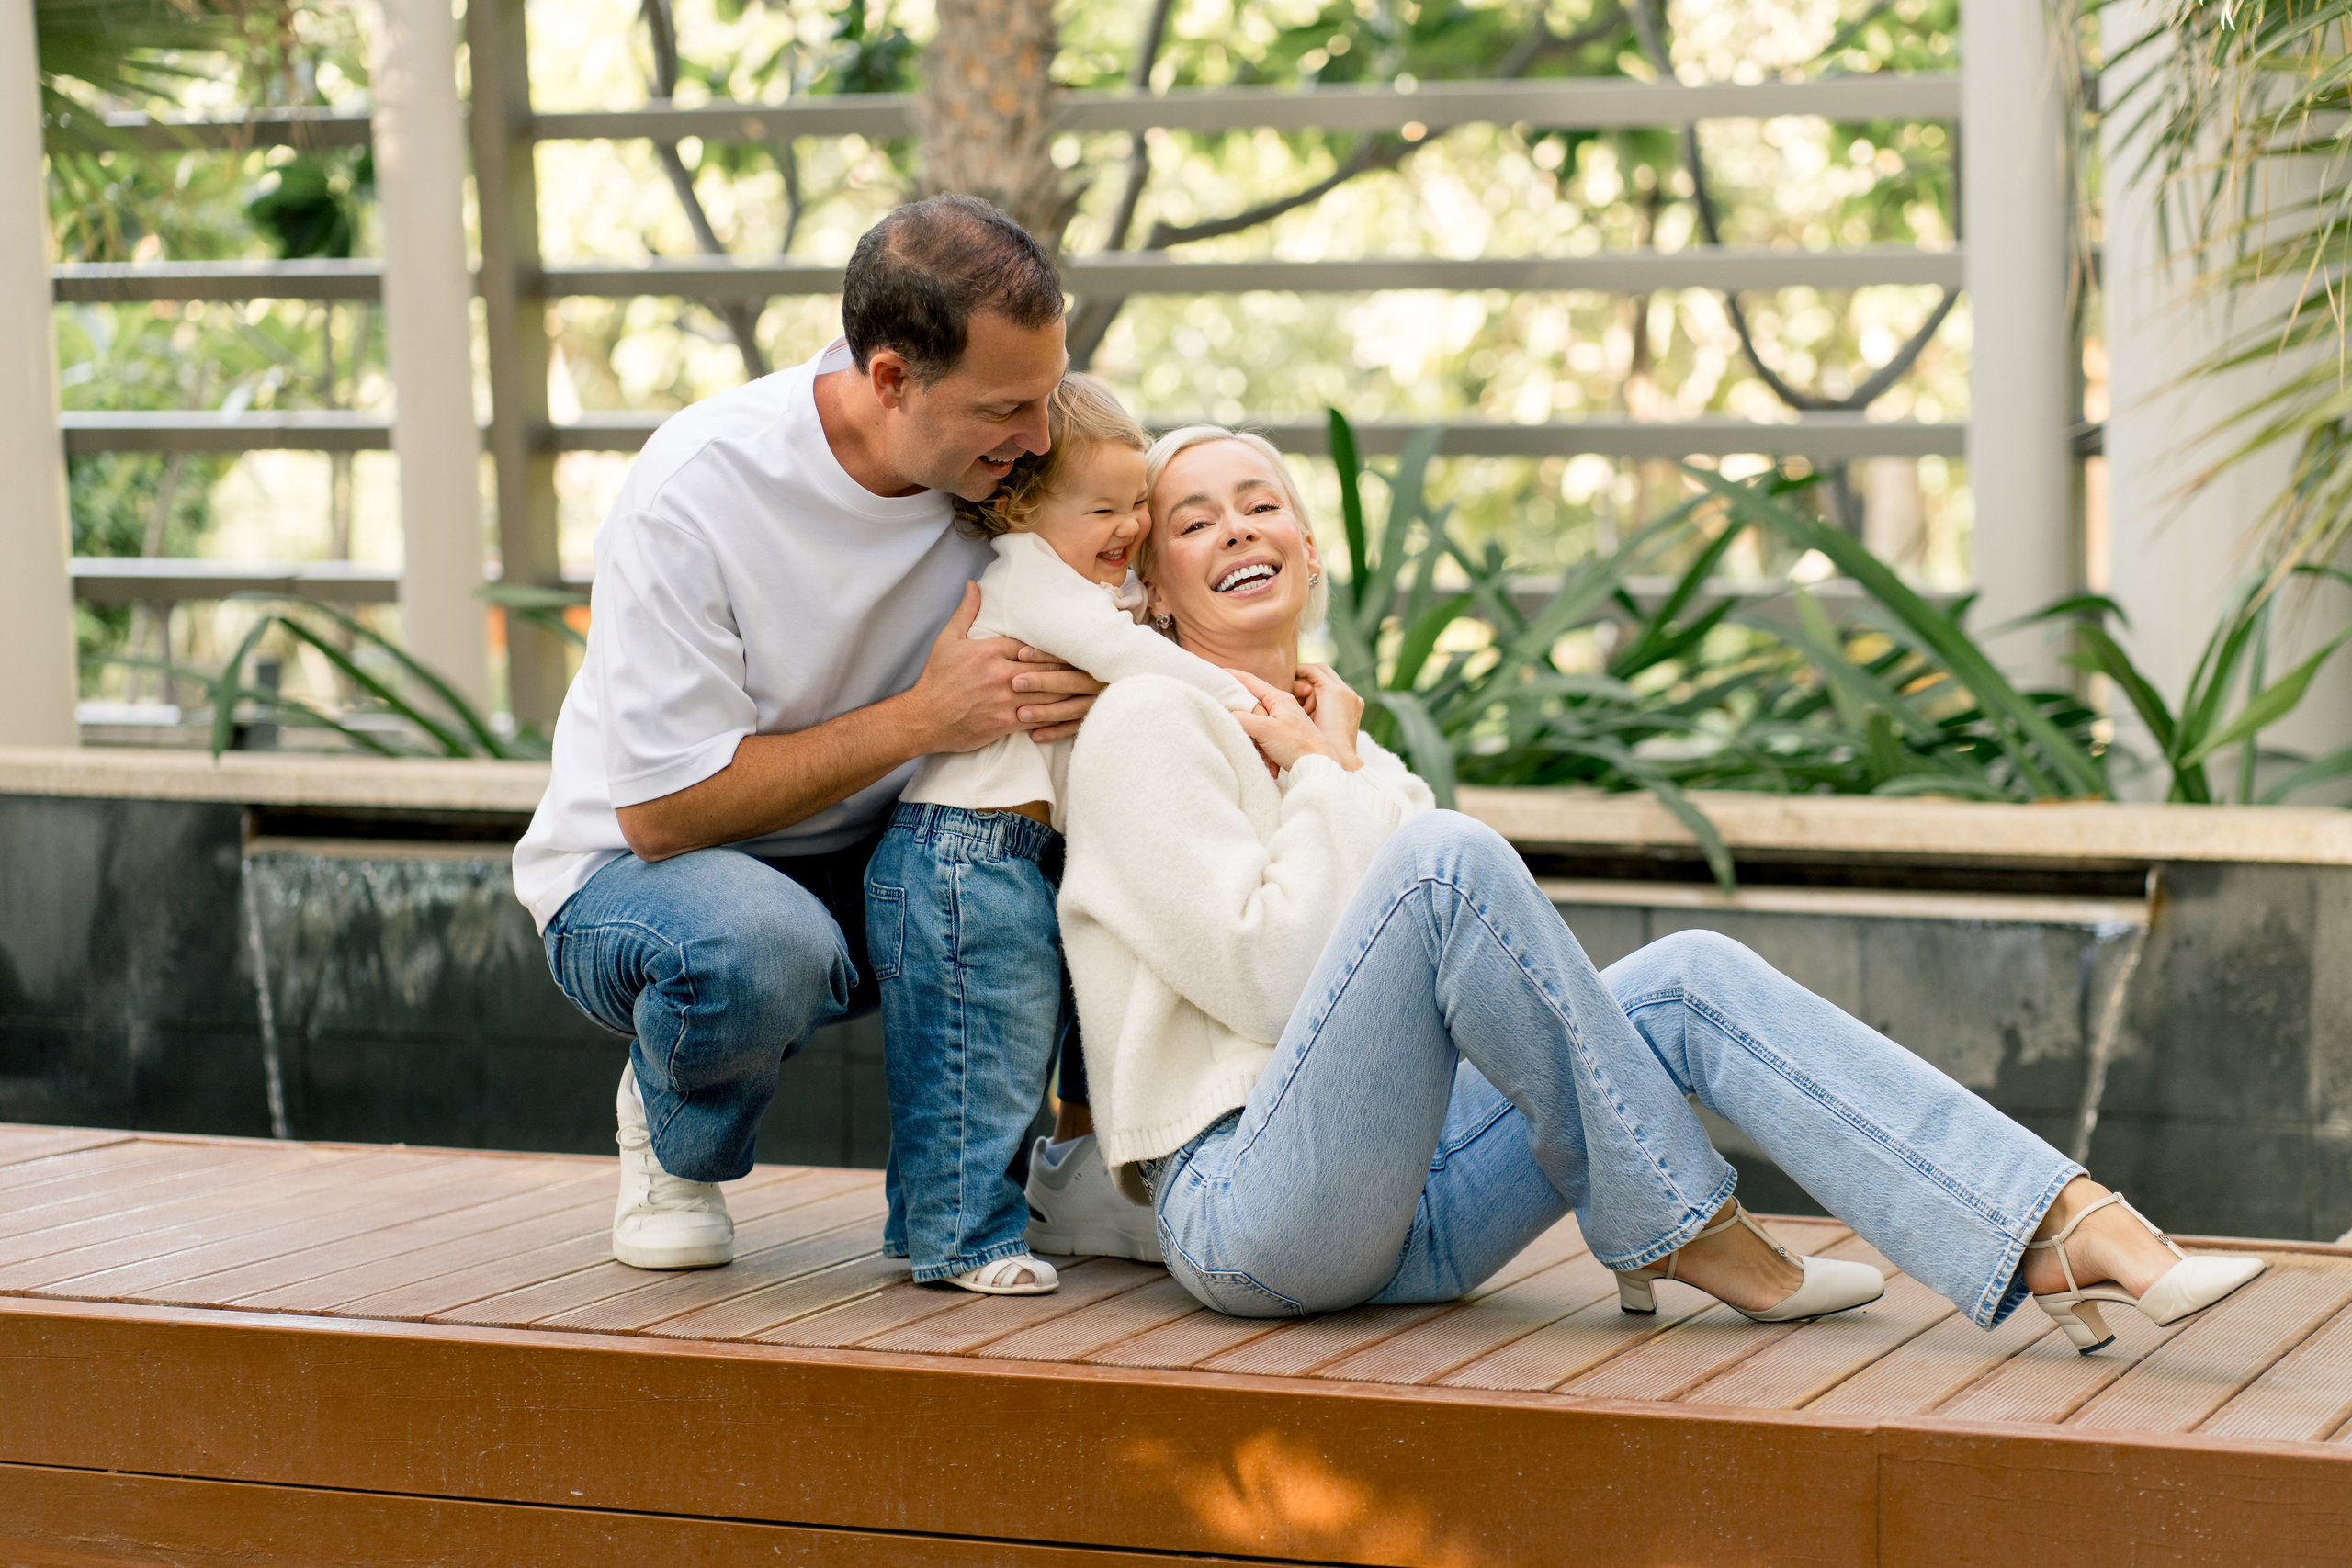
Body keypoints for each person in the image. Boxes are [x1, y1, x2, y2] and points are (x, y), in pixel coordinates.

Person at [1051, 423, 2265, 1348]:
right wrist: (1331, 778)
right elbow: (1271, 982)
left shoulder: (1349, 747)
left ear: (1310, 555)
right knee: (1448, 857)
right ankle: (1690, 1231)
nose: (1237, 531)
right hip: (1250, 1212)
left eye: (1261, 505)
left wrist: (1338, 764)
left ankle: (2052, 1222)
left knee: (1686, 977)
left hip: (1411, 1207)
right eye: (1195, 522)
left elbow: (1448, 983)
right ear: (1153, 584)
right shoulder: (1147, 723)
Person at [513, 196, 1107, 1271]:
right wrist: (928, 716)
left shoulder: (1008, 464)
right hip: (657, 882)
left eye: (1049, 394)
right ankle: (673, 1125)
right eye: (1006, 409)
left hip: (888, 859)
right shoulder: (696, 491)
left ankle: (1089, 1169)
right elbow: (661, 815)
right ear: (890, 379)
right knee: (755, 944)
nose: (1040, 437)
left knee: (1126, 827)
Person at [867, 375, 1251, 1295]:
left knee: (962, 1048)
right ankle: (967, 1240)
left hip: (998, 857)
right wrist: (1253, 705)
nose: (1127, 528)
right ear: (1022, 509)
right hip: (968, 851)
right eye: (1103, 508)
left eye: (1138, 507)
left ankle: (920, 1222)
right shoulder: (1032, 577)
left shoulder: (1076, 588)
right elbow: (1130, 657)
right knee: (984, 1057)